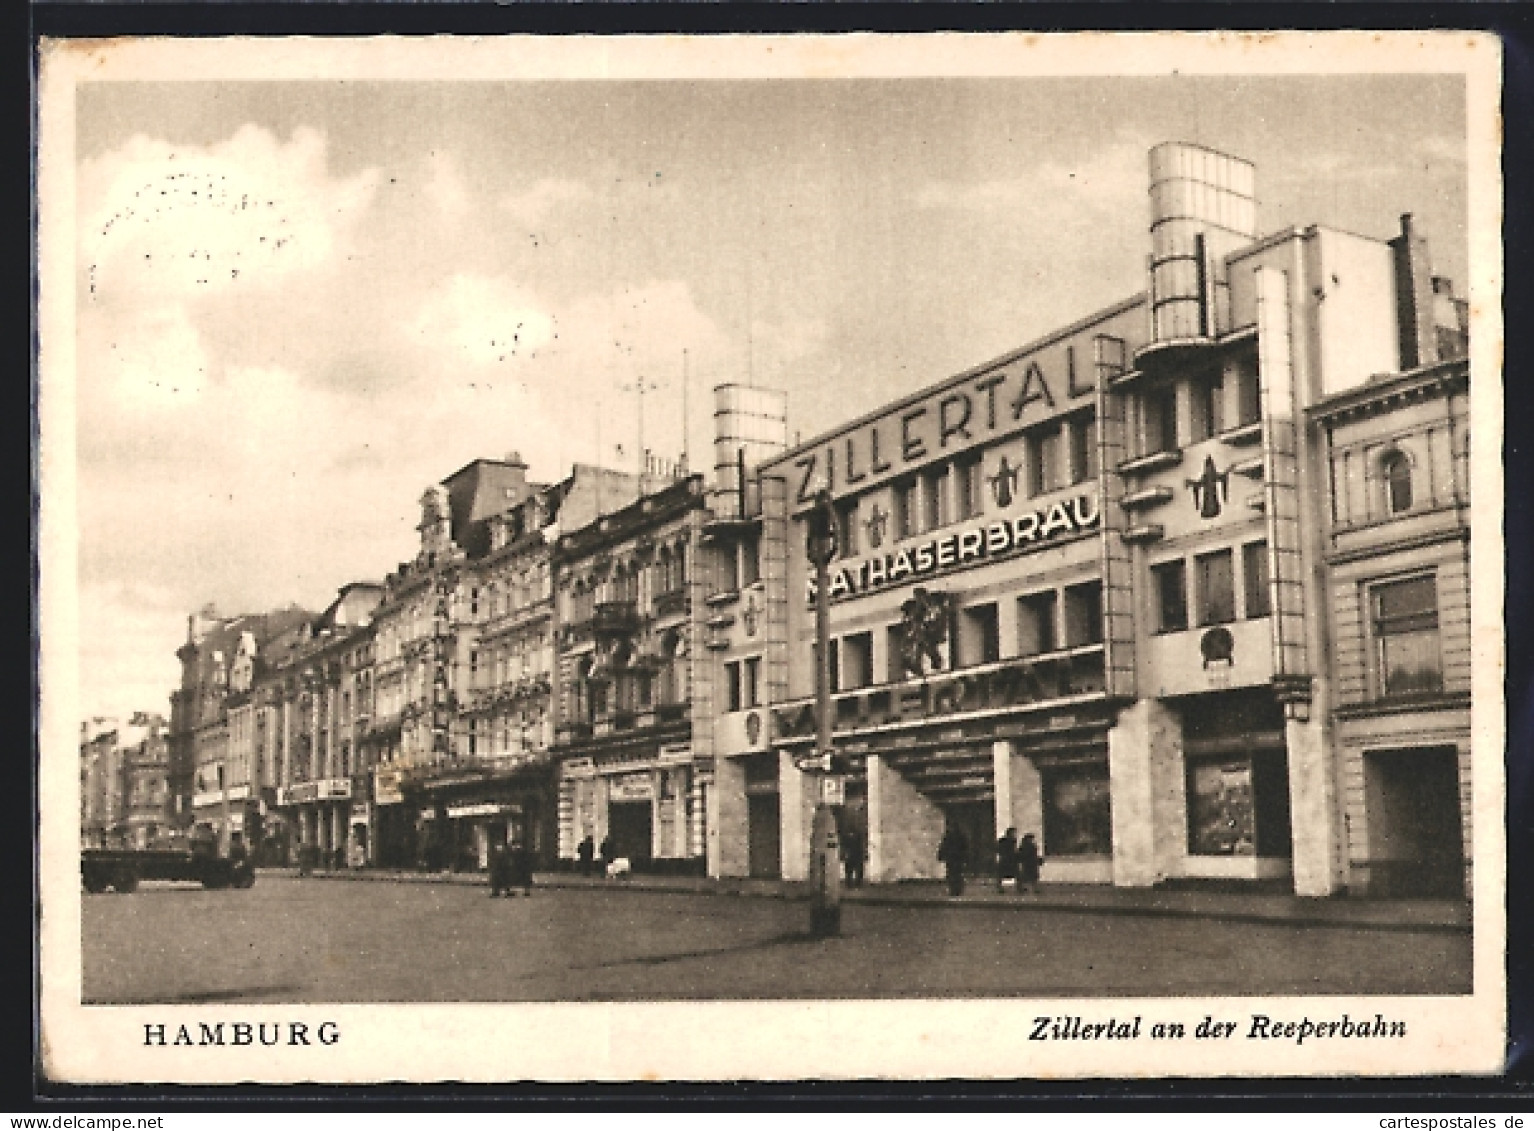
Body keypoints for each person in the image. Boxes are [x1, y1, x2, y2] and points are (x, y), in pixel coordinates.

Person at [937, 823, 968, 897]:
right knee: (957, 874)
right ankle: (957, 889)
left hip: (952, 858)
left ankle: (954, 889)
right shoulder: (961, 836)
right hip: (957, 858)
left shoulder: (949, 836)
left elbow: (944, 846)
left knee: (952, 874)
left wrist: (941, 855)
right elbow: (965, 848)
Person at [995, 826, 1018, 893]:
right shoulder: (1005, 841)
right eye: (1014, 833)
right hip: (1006, 859)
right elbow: (998, 849)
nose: (1015, 834)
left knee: (1016, 873)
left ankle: (1019, 887)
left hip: (1009, 859)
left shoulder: (1013, 841)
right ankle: (999, 888)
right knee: (1002, 874)